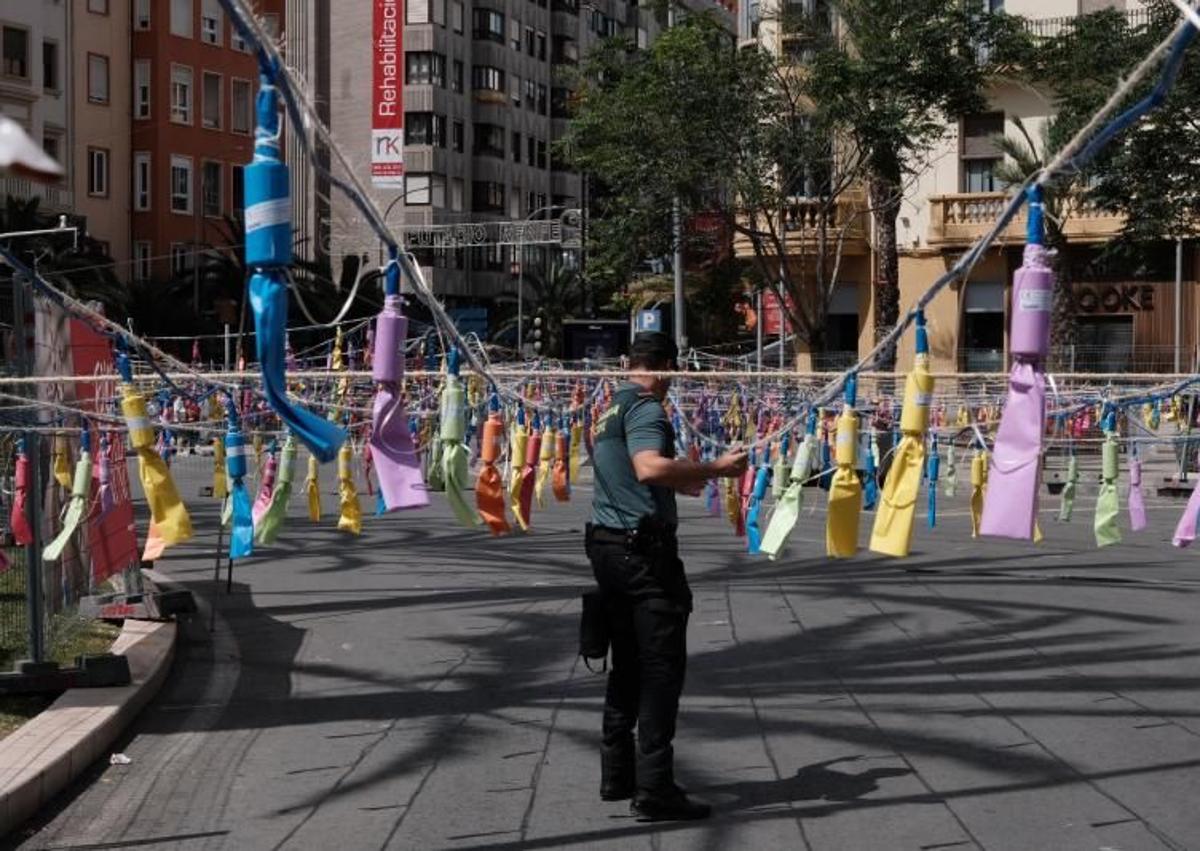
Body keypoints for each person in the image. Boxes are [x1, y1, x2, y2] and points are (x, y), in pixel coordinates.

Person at [586, 331, 749, 821]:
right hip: (643, 554)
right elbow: (647, 467)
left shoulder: (611, 406)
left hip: (606, 546)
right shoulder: (646, 408)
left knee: (627, 661)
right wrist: (718, 469)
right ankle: (655, 787)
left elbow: (633, 475)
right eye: (674, 373)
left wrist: (684, 480)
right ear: (663, 367)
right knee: (660, 669)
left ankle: (617, 774)